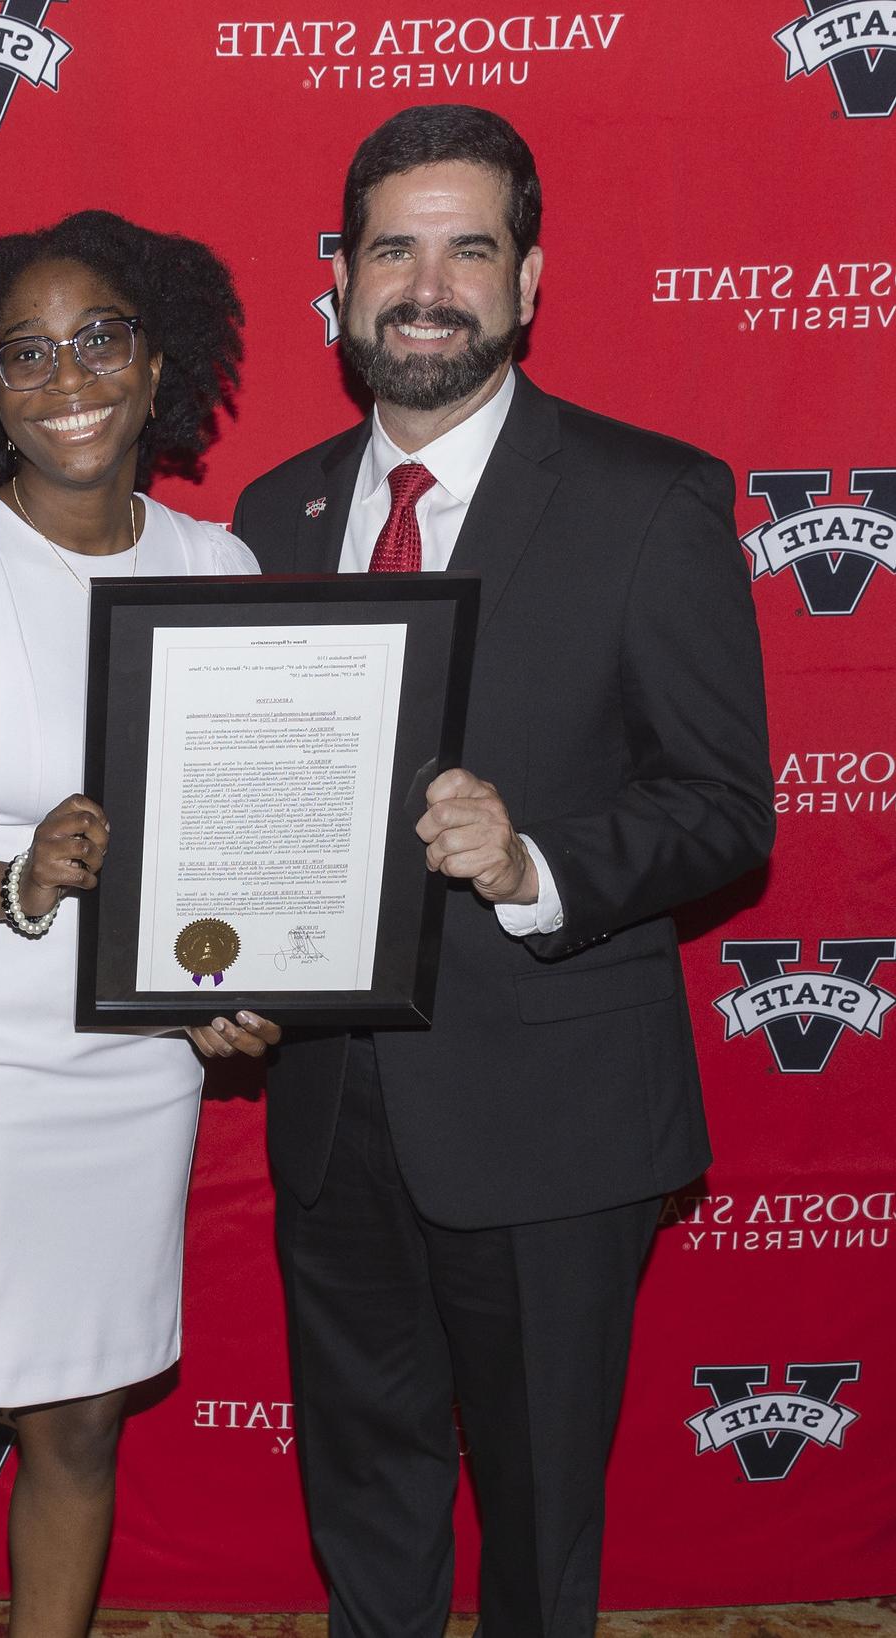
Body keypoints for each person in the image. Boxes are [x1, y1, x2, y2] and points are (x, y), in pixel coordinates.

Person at [229, 105, 774, 1637]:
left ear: (526, 281)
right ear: (336, 281)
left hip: (551, 1120)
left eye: (465, 246)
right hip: (331, 1117)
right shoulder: (273, 514)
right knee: (366, 1507)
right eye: (390, 246)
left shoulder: (648, 497)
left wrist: (537, 859)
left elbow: (725, 806)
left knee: (539, 1542)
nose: (426, 281)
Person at [0, 211, 280, 1637]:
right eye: (24, 351)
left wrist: (237, 983)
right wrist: (10, 880)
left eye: (98, 340)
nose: (65, 375)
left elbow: (239, 858)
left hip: (133, 1069)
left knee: (82, 1420)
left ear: (158, 365)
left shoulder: (222, 573)